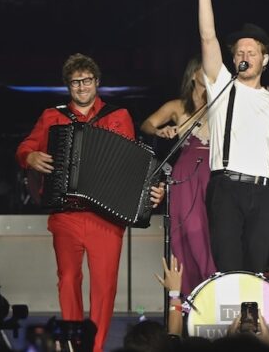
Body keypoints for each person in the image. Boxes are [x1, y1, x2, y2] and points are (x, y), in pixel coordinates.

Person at [16, 53, 166, 352]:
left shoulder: (118, 116)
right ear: (67, 86)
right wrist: (29, 157)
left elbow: (132, 163)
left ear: (97, 82)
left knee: (104, 286)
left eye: (86, 81)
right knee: (68, 279)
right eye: (75, 82)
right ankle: (74, 344)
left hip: (106, 217)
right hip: (66, 213)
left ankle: (94, 348)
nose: (82, 87)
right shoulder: (52, 116)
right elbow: (25, 147)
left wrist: (153, 190)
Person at [194, 0, 269, 273]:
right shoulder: (221, 86)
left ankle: (251, 323)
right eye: (239, 52)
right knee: (229, 268)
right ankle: (231, 322)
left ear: (264, 59)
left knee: (256, 270)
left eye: (251, 52)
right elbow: (207, 37)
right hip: (226, 188)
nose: (244, 57)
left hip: (264, 192)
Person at [141, 56, 217, 296]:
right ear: (193, 74)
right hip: (185, 175)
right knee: (188, 232)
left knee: (212, 233)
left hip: (214, 172)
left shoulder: (221, 103)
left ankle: (215, 290)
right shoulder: (177, 106)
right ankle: (189, 297)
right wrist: (160, 130)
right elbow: (147, 124)